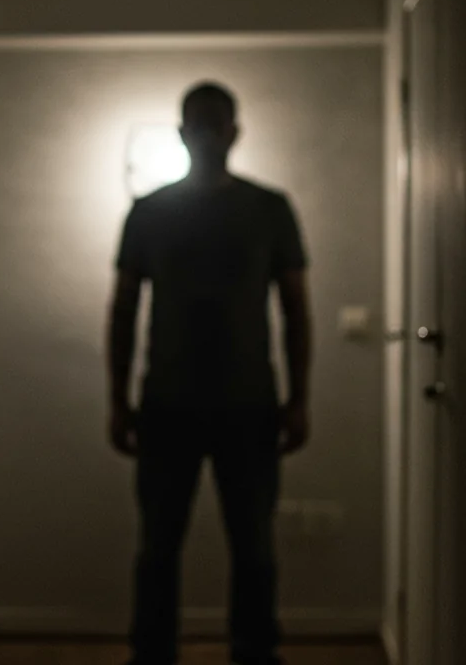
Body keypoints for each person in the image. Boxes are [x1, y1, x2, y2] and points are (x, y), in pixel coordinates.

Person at [107, 82, 313, 665]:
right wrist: (118, 401)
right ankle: (153, 656)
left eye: (213, 122)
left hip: (248, 406)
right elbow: (122, 311)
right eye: (196, 122)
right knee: (158, 547)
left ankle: (254, 654)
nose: (205, 133)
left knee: (253, 547)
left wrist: (299, 400)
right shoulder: (149, 212)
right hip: (168, 404)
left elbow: (296, 309)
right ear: (181, 132)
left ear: (233, 131)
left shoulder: (269, 209)